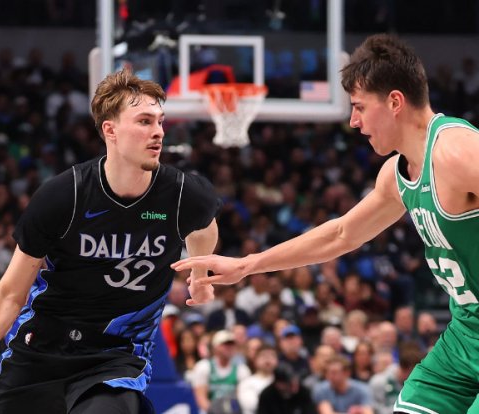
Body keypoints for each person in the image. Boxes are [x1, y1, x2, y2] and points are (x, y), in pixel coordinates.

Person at [173, 33, 479, 413]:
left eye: (359, 107)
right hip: (463, 338)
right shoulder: (395, 176)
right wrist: (247, 265)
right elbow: (341, 234)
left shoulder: (457, 152)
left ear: (395, 102)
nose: (353, 121)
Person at [0, 68, 220, 414]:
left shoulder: (183, 194)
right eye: (144, 121)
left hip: (114, 357)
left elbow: (204, 227)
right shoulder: (66, 196)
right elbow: (9, 294)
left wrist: (200, 276)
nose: (158, 132)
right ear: (110, 130)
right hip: (40, 352)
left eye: (160, 121)